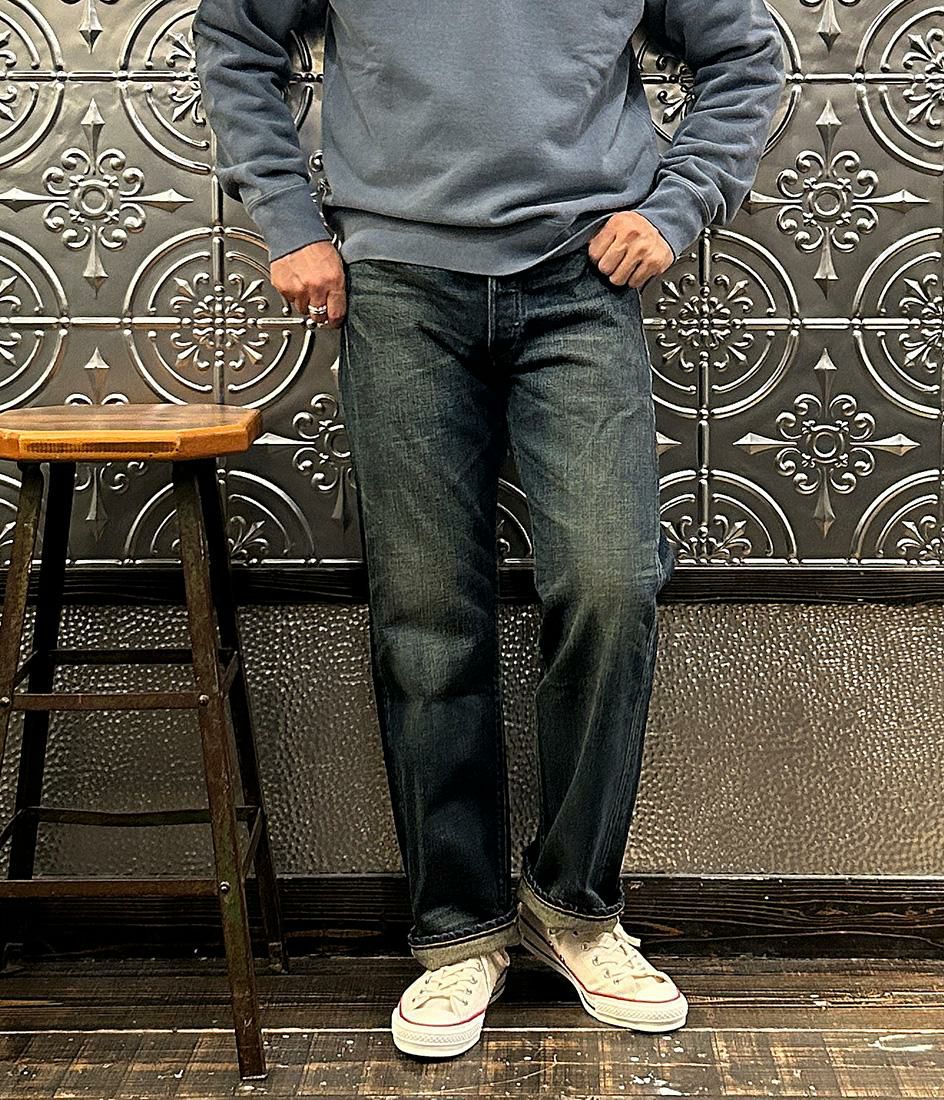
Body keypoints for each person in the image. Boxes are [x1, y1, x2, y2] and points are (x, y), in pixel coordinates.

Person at [193, 0, 785, 1060]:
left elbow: (745, 56)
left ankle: (573, 908)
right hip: (397, 283)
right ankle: (458, 930)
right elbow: (237, 38)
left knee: (610, 584)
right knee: (427, 616)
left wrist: (675, 205)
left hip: (582, 280)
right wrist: (287, 216)